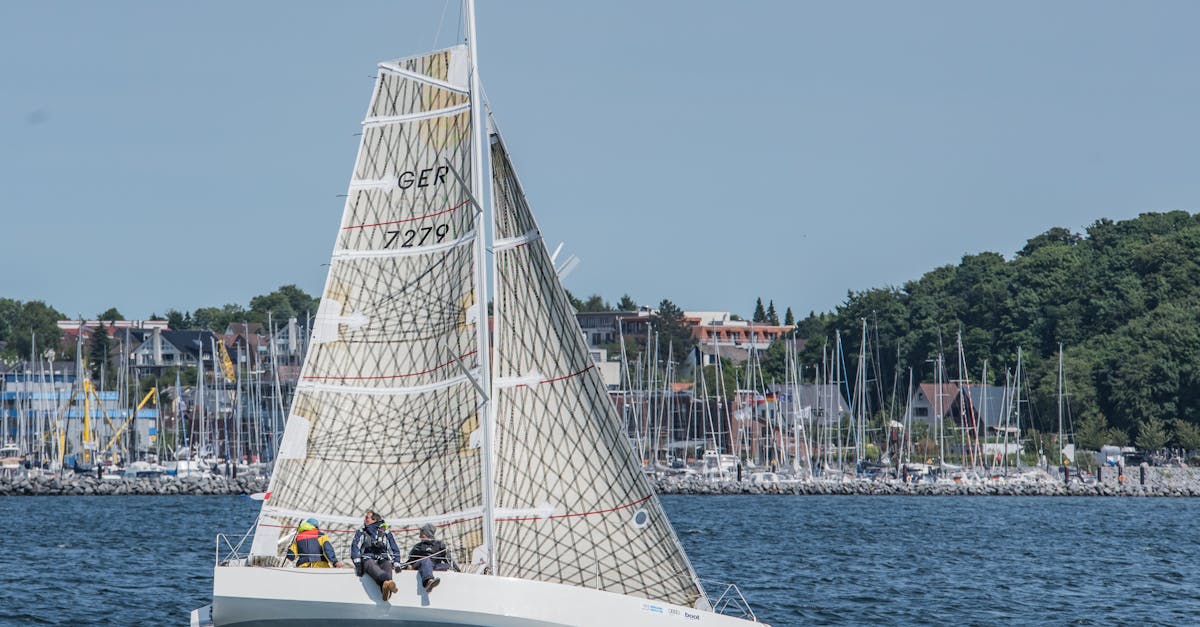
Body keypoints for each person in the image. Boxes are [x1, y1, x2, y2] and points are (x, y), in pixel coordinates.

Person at [351, 510, 401, 601]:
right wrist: (357, 563)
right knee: (370, 563)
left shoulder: (385, 533)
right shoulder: (361, 532)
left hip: (382, 558)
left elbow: (393, 548)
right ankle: (388, 584)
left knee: (387, 564)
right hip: (367, 559)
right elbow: (355, 548)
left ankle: (387, 588)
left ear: (374, 520)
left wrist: (396, 562)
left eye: (367, 518)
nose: (364, 519)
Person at [403, 523, 456, 593]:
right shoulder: (418, 546)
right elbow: (410, 561)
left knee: (447, 566)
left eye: (422, 533)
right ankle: (429, 581)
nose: (420, 536)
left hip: (434, 566)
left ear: (427, 534)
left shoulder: (440, 545)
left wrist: (457, 570)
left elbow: (449, 560)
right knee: (426, 560)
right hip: (421, 564)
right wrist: (404, 567)